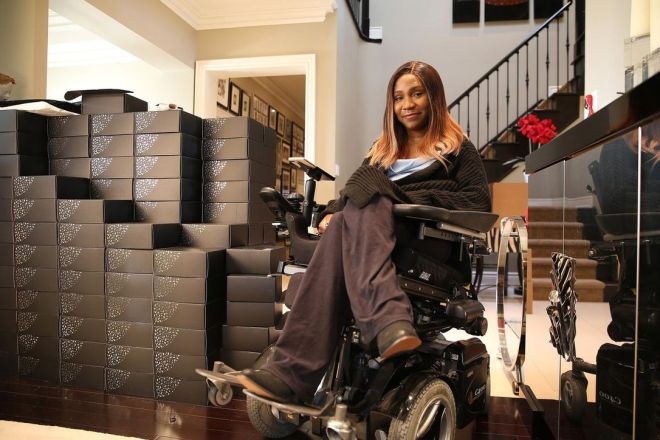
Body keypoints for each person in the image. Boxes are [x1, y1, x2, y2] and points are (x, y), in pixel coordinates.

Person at [238, 60, 491, 404]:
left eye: (417, 94)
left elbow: (478, 203)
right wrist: (332, 210)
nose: (407, 104)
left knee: (370, 195)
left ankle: (291, 373)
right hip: (370, 237)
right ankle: (385, 322)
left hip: (425, 243)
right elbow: (354, 192)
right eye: (399, 97)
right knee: (350, 213)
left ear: (434, 97)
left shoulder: (457, 147)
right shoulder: (382, 150)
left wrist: (400, 198)